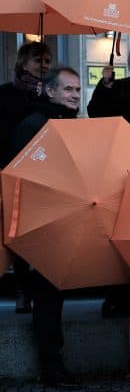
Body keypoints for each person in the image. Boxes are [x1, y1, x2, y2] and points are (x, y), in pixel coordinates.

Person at [9, 67, 81, 389]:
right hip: (42, 222)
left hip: (66, 220)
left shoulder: (74, 126)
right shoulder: (32, 126)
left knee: (55, 297)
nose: (76, 95)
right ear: (50, 92)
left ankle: (55, 365)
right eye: (69, 89)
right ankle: (52, 367)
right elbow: (22, 177)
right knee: (48, 299)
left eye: (78, 90)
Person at [0, 41, 53, 314]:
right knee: (18, 231)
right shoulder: (6, 94)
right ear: (23, 63)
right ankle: (23, 289)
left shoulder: (50, 96)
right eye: (38, 60)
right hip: (13, 168)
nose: (44, 65)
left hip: (45, 172)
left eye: (47, 61)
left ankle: (42, 288)